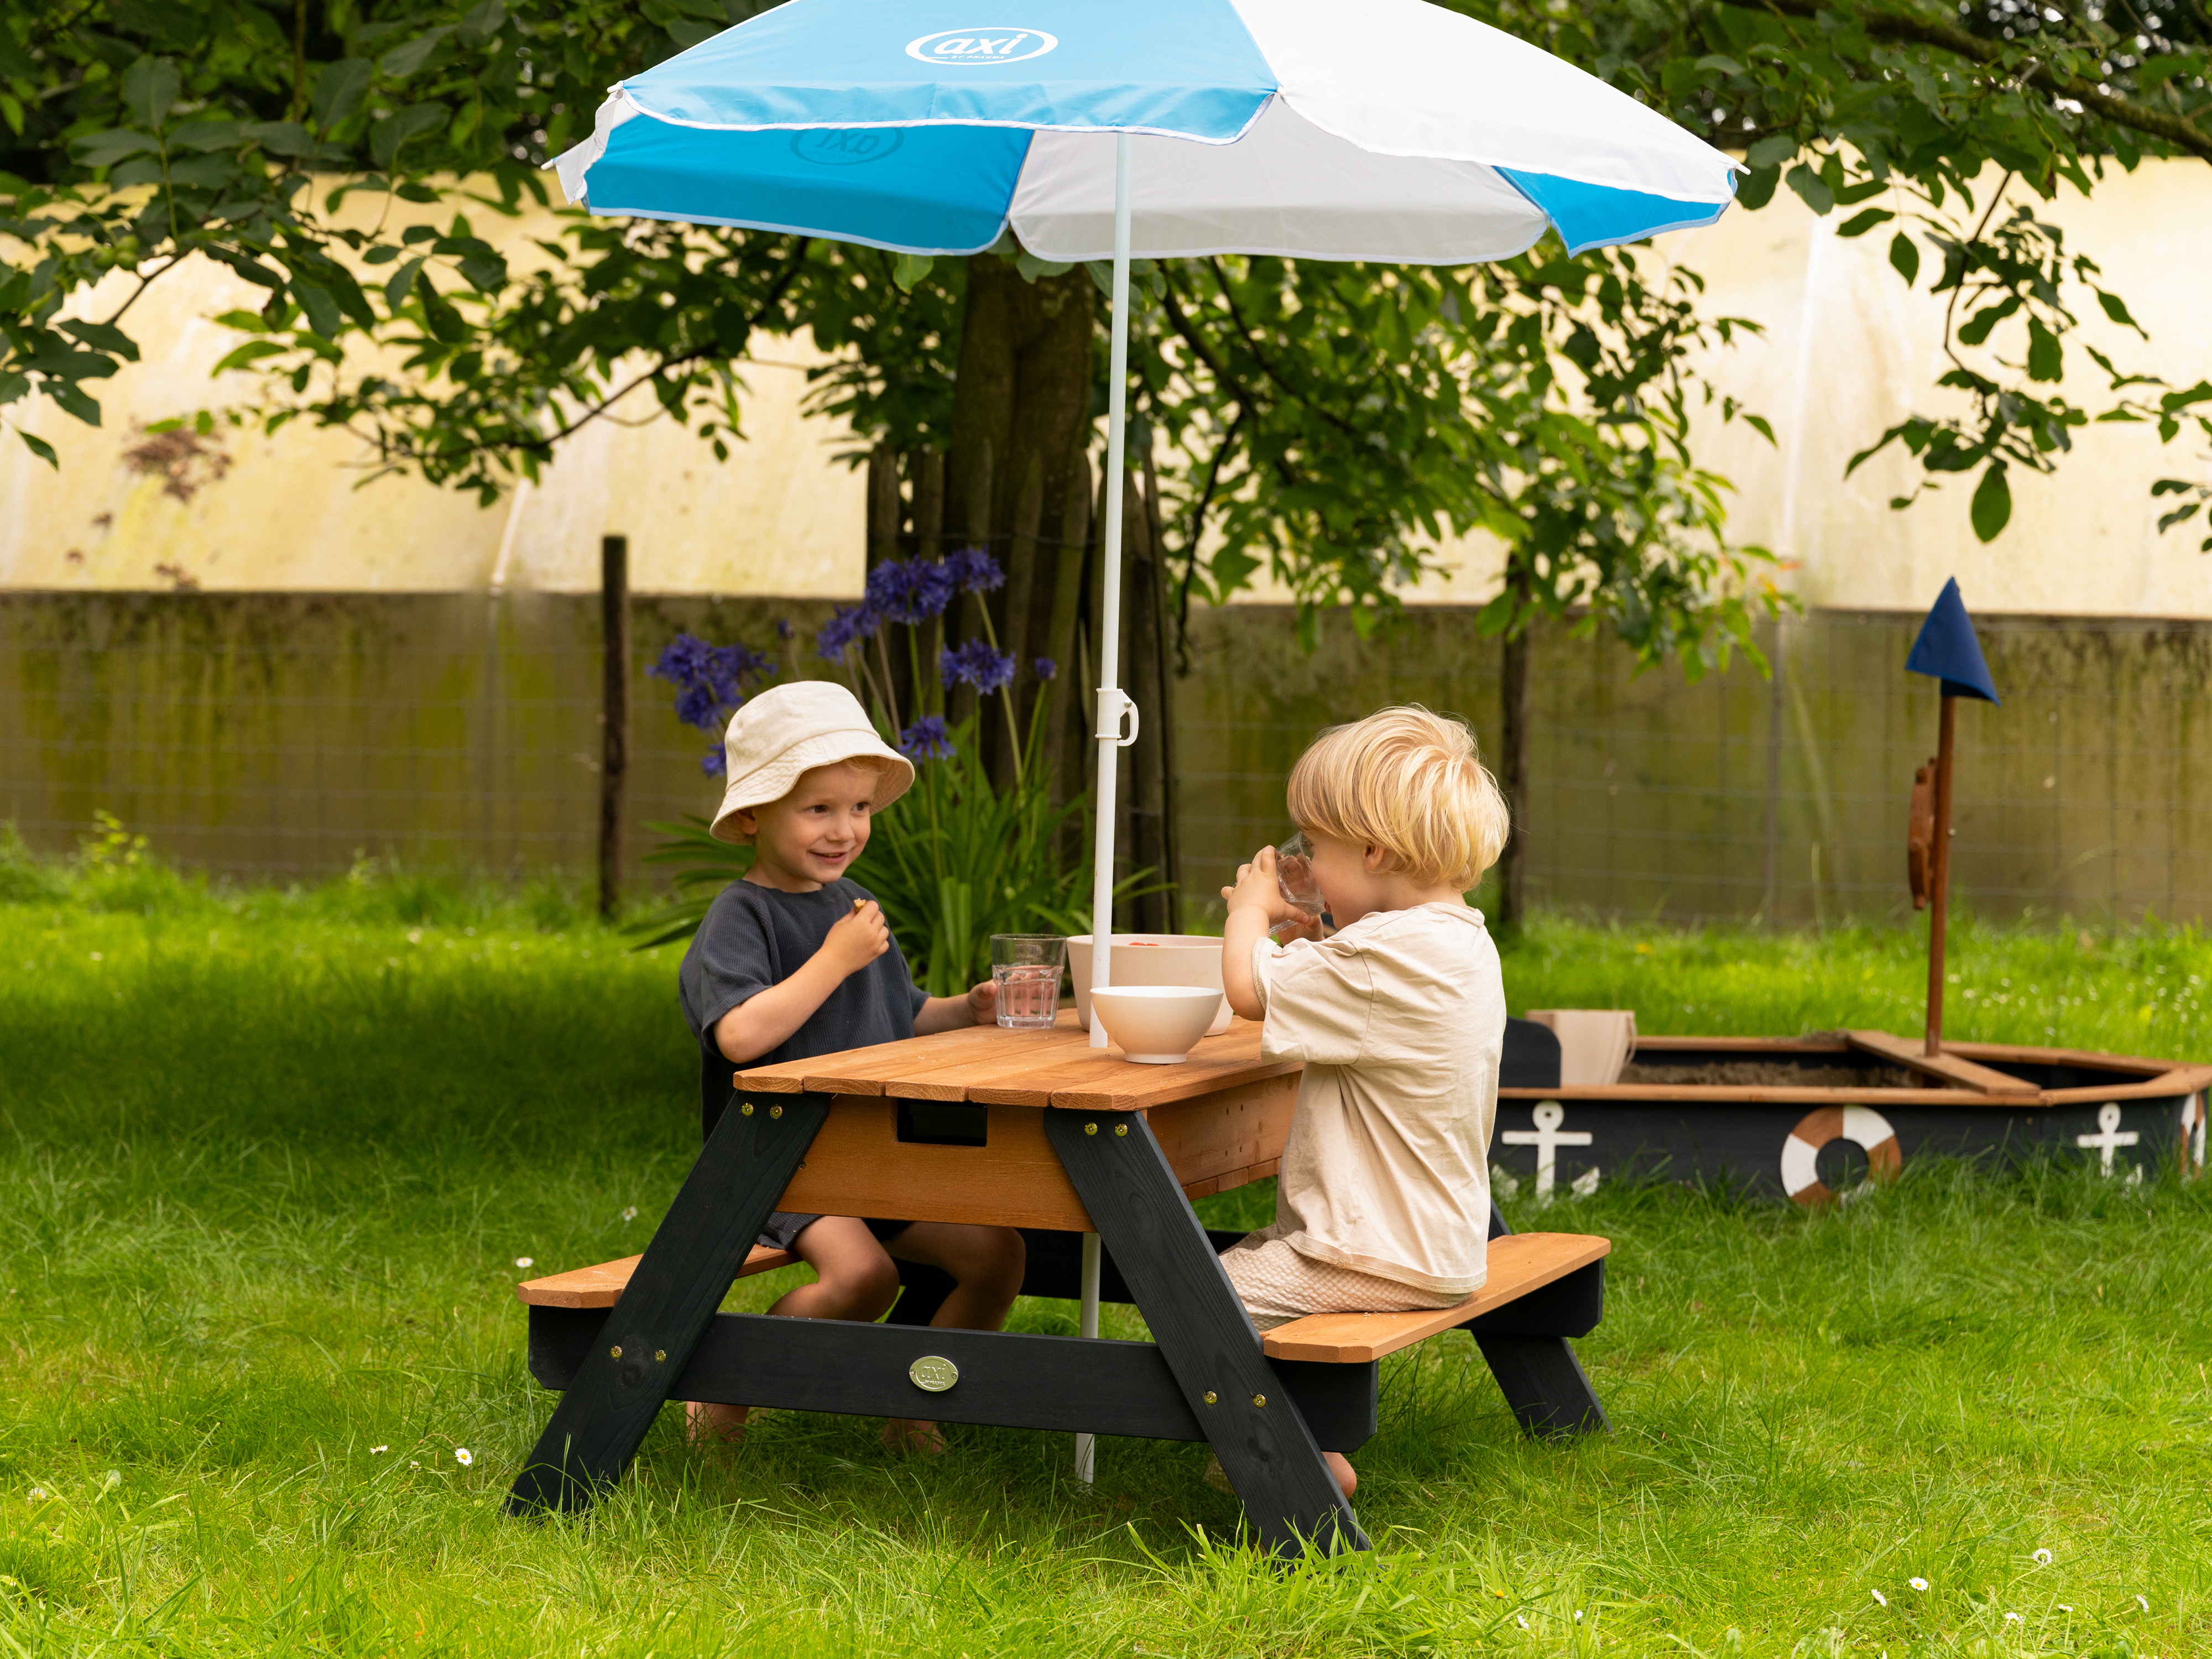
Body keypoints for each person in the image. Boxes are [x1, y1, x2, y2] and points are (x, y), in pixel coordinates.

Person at [677, 680, 1026, 1451]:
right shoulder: (743, 917)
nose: (845, 830)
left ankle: (914, 1403)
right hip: (783, 1162)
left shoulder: (853, 906)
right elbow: (738, 1035)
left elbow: (899, 1014)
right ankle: (728, 1385)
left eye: (860, 809)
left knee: (997, 1252)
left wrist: (962, 1011)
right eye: (819, 810)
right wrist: (833, 961)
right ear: (752, 817)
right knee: (863, 1278)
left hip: (874, 1159)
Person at [1217, 706, 1510, 1500]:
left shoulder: (1382, 959)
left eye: (1317, 850)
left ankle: (1296, 1460)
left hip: (1372, 1253)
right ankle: (1292, 1430)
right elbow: (1348, 973)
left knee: (1197, 1296)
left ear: (1375, 851)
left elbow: (1248, 989)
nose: (1306, 863)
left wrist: (1249, 909)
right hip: (1436, 1241)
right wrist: (1322, 913)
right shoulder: (1458, 942)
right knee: (1236, 1264)